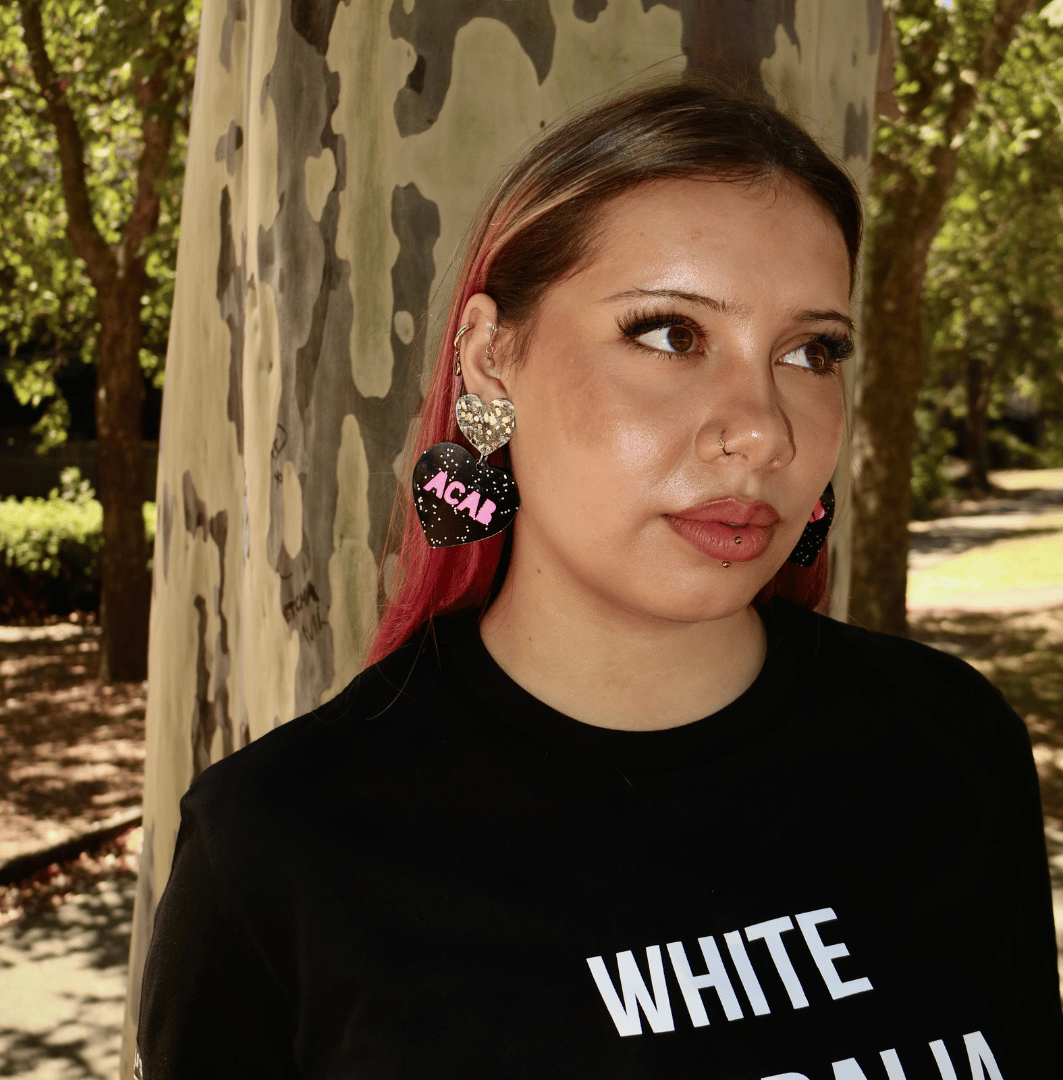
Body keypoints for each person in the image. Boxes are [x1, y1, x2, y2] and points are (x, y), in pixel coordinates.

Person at [136, 78, 1063, 1079]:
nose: (762, 429)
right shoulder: (282, 847)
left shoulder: (952, 746)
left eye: (810, 349)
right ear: (491, 359)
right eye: (669, 332)